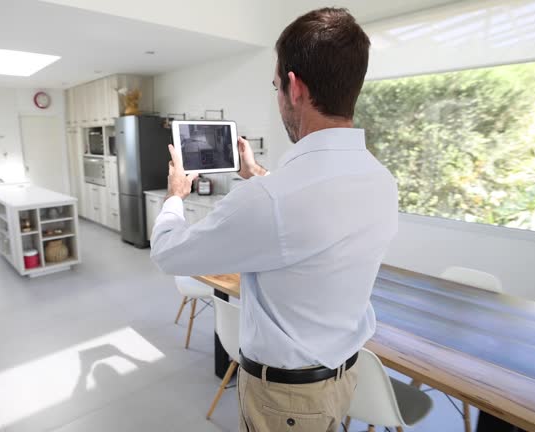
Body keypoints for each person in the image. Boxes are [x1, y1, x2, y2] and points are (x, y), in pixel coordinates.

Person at [150, 7, 398, 432]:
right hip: (344, 379)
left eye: (275, 86)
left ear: (294, 87)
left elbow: (169, 254)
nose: (278, 97)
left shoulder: (270, 200)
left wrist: (175, 197)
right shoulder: (380, 179)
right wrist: (257, 174)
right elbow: (308, 207)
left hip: (287, 399)